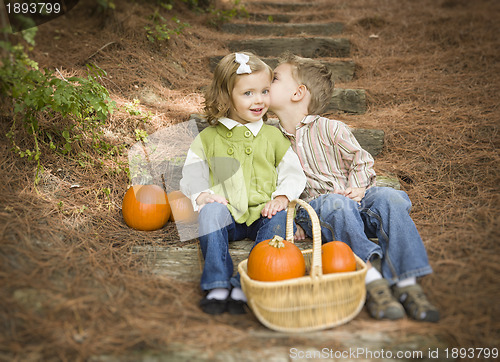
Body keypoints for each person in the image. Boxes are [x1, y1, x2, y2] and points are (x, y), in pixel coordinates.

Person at [268, 53, 439, 322]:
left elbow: (361, 161)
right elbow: (272, 184)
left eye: (275, 78)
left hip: (355, 200)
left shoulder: (331, 129)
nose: (268, 81)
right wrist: (292, 219)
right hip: (318, 210)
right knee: (336, 203)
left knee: (390, 197)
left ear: (298, 93)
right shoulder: (269, 138)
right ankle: (371, 280)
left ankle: (408, 285)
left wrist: (359, 188)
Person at [180, 52, 306, 315]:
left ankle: (243, 285)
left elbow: (293, 173)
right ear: (226, 97)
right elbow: (192, 172)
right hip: (226, 211)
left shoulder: (273, 136)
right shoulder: (208, 138)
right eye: (248, 93)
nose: (259, 99)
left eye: (264, 91)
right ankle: (217, 284)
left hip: (263, 212)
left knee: (279, 219)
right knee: (210, 213)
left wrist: (282, 197)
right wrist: (202, 195)